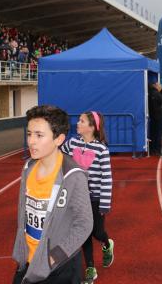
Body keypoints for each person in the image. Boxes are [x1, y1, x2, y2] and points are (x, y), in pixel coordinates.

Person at [12, 105, 93, 284]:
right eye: (29, 134)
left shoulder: (73, 177)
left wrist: (53, 257)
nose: (31, 141)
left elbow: (85, 224)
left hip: (59, 267)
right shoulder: (28, 168)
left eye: (39, 135)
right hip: (28, 261)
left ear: (59, 139)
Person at [61, 111, 114, 284]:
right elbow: (59, 154)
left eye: (81, 121)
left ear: (92, 127)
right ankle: (90, 267)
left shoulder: (101, 149)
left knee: (97, 232)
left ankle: (107, 244)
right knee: (83, 233)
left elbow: (106, 178)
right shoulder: (72, 142)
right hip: (78, 197)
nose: (77, 123)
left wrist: (104, 203)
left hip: (96, 198)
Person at [148, 82, 162, 156]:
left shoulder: (150, 93)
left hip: (153, 116)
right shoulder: (156, 94)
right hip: (158, 117)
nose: (161, 87)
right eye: (160, 86)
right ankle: (157, 149)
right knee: (158, 134)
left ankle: (152, 149)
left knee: (153, 133)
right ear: (156, 86)